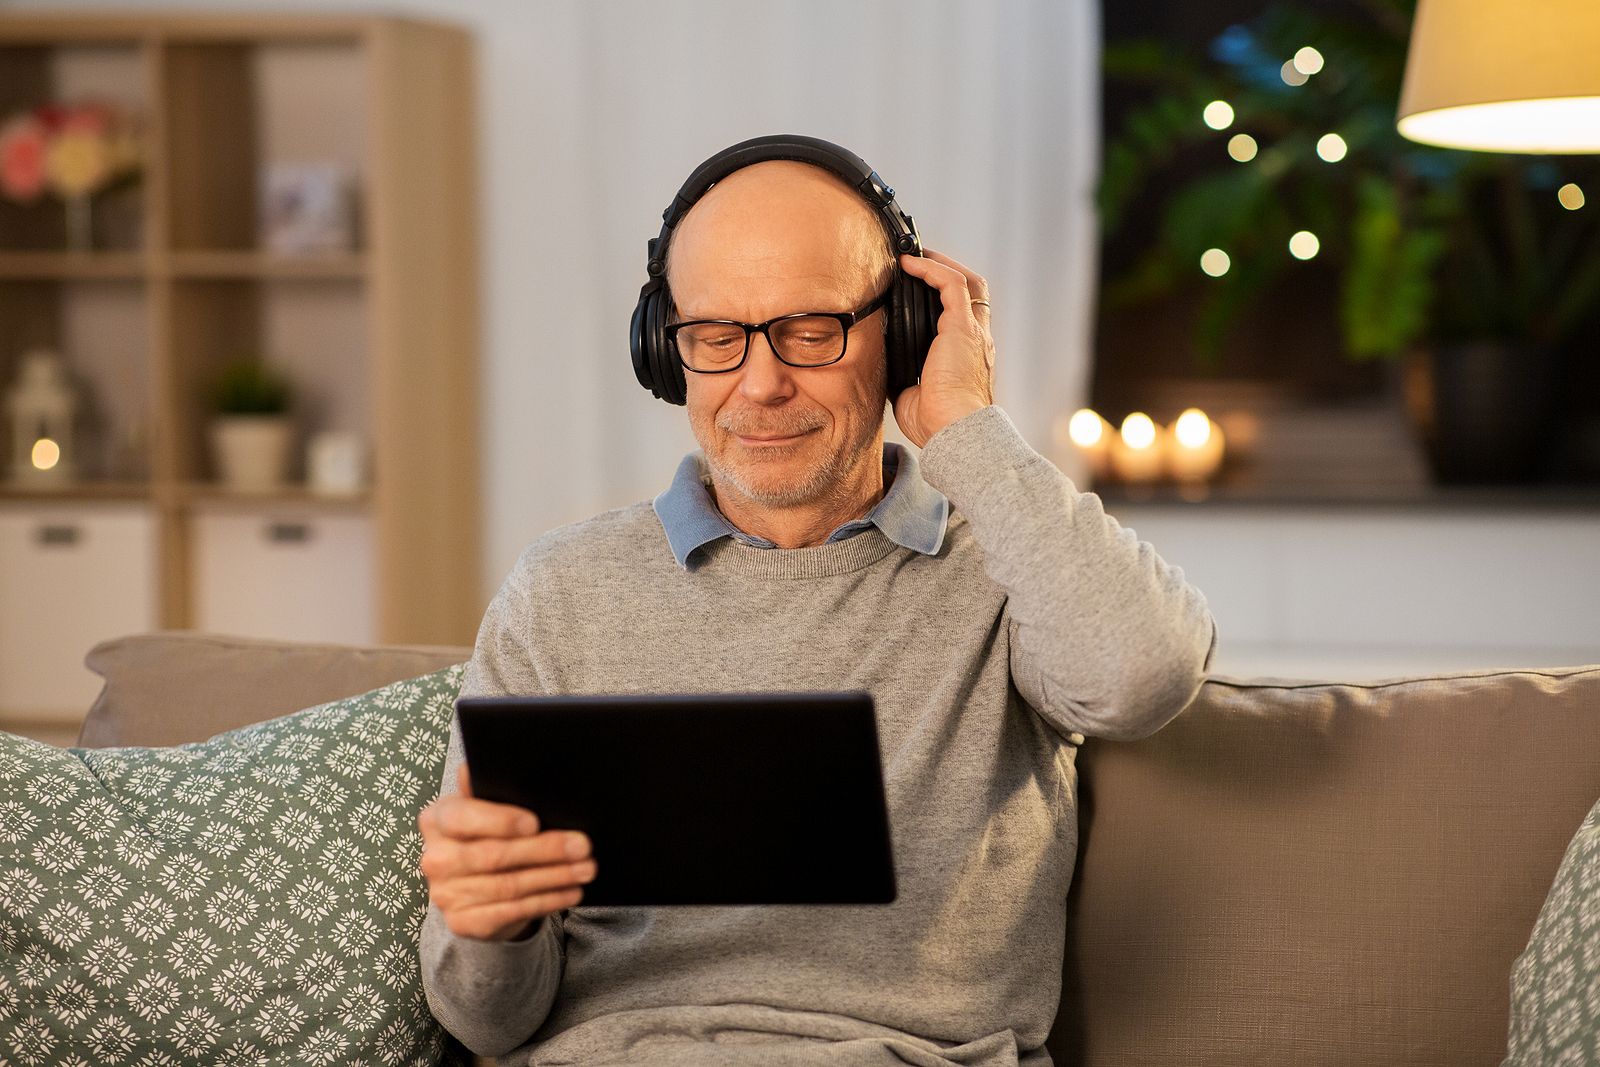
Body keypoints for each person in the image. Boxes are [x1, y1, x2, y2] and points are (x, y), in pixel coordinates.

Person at [417, 135, 1218, 1067]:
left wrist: (970, 432)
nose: (760, 384)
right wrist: (491, 929)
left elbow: (1144, 672)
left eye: (811, 330)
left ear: (905, 332)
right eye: (715, 338)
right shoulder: (559, 591)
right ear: (662, 350)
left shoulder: (1006, 568)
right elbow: (486, 1022)